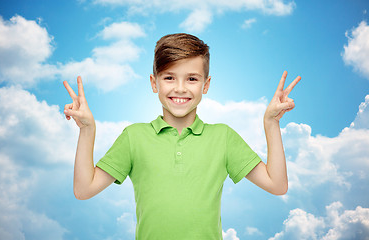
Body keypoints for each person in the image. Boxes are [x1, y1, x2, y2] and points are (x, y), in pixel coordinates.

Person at [63, 33, 301, 239]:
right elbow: (84, 190)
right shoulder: (134, 137)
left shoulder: (223, 138)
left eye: (192, 78)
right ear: (153, 82)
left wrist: (271, 123)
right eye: (169, 77)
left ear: (205, 85)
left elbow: (277, 185)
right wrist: (87, 130)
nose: (180, 88)